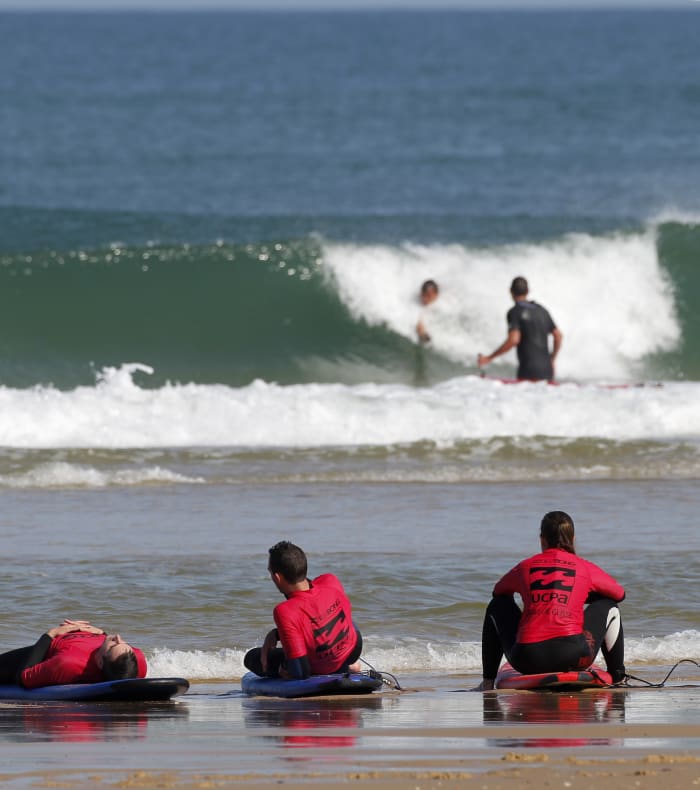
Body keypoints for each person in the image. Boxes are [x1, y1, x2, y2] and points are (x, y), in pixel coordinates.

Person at [478, 511, 626, 691]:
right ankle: (618, 677)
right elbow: (619, 594)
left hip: (527, 659)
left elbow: (499, 592)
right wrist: (581, 596)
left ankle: (487, 683)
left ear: (542, 539)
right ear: (573, 538)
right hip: (573, 657)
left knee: (497, 606)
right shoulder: (584, 567)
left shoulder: (525, 566)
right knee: (609, 605)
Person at [244, 541, 362, 680]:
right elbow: (316, 616)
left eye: (271, 572)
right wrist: (277, 634)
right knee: (341, 615)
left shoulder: (285, 610)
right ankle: (348, 666)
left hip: (321, 667)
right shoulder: (330, 581)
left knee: (252, 658)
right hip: (352, 651)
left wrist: (284, 668)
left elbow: (301, 672)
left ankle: (337, 667)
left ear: (277, 577)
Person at [0, 619, 147, 689]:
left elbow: (23, 677)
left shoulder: (68, 664)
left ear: (100, 662)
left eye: (114, 644)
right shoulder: (135, 659)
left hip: (46, 650)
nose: (118, 637)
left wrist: (51, 634)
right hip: (73, 640)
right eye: (124, 643)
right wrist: (102, 634)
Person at [478, 276, 562, 381]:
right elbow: (558, 336)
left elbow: (513, 340)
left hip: (528, 370)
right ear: (528, 291)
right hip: (547, 370)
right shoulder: (542, 310)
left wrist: (489, 358)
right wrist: (552, 359)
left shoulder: (515, 312)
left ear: (510, 291)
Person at [416, 279, 439, 344]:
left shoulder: (443, 303)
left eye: (428, 296)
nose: (425, 299)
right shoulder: (419, 308)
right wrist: (422, 334)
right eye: (423, 295)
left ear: (436, 295)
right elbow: (420, 324)